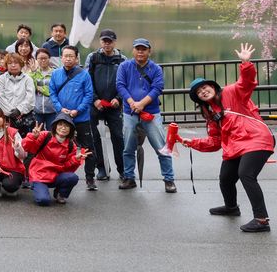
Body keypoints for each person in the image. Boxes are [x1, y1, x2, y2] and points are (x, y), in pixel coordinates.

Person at [178, 42, 275, 233]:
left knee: (246, 174)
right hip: (236, 146)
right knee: (225, 177)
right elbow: (214, 142)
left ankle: (262, 220)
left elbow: (246, 83)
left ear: (212, 87)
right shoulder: (211, 116)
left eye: (204, 87)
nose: (203, 91)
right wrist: (191, 142)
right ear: (199, 99)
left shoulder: (231, 93)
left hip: (257, 138)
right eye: (199, 92)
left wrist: (245, 63)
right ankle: (231, 208)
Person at [115, 37, 176, 192]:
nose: (140, 52)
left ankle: (169, 179)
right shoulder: (124, 66)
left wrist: (141, 104)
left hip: (151, 113)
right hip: (130, 112)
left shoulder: (156, 69)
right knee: (128, 148)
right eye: (137, 49)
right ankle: (129, 178)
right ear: (133, 50)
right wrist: (131, 102)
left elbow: (157, 88)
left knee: (161, 147)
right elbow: (120, 85)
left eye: (144, 49)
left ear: (149, 51)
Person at [49, 45, 96, 190]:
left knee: (88, 148)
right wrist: (60, 109)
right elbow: (52, 93)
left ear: (76, 58)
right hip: (62, 118)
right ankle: (57, 175)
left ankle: (90, 178)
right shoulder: (56, 74)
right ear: (61, 57)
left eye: (71, 56)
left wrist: (78, 110)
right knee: (58, 147)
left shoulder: (84, 74)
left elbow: (89, 95)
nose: (68, 58)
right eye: (65, 56)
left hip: (80, 117)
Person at [86, 28, 126, 183]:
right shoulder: (93, 57)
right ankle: (101, 168)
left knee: (118, 137)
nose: (107, 44)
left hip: (114, 105)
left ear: (114, 42)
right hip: (96, 104)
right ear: (100, 42)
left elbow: (125, 82)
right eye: (104, 41)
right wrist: (95, 99)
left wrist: (119, 98)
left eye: (110, 41)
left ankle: (122, 170)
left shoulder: (122, 59)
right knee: (95, 137)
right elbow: (87, 80)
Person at [22, 114, 88, 206]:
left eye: (66, 126)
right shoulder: (44, 135)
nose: (63, 128)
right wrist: (33, 137)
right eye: (60, 124)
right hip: (39, 175)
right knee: (43, 201)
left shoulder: (71, 145)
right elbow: (27, 147)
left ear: (71, 129)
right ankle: (35, 185)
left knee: (73, 177)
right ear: (55, 126)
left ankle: (60, 194)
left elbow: (67, 169)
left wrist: (75, 160)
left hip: (55, 175)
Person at [0, 51, 36, 135]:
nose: (13, 65)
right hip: (7, 118)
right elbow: (1, 97)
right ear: (6, 65)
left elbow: (30, 98)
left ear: (21, 64)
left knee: (25, 144)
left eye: (16, 63)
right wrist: (11, 112)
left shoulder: (27, 79)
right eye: (10, 63)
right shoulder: (1, 79)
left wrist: (19, 110)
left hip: (25, 117)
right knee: (9, 143)